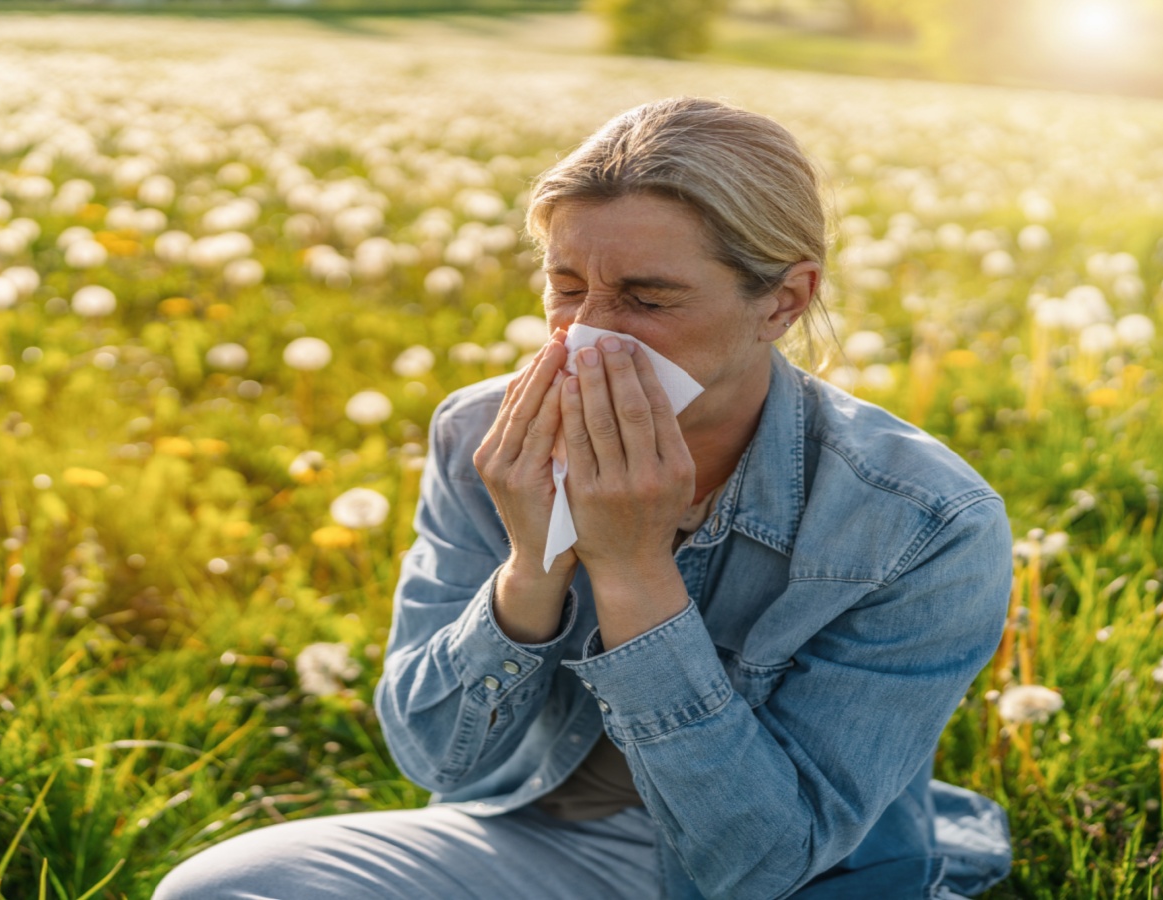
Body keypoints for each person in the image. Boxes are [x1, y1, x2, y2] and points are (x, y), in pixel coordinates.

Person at [153, 96, 1015, 900]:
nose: (586, 331)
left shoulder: (924, 524)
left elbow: (760, 861)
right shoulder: (484, 436)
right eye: (567, 286)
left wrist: (634, 570)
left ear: (783, 301)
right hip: (547, 836)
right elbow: (438, 760)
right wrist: (532, 570)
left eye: (648, 297)